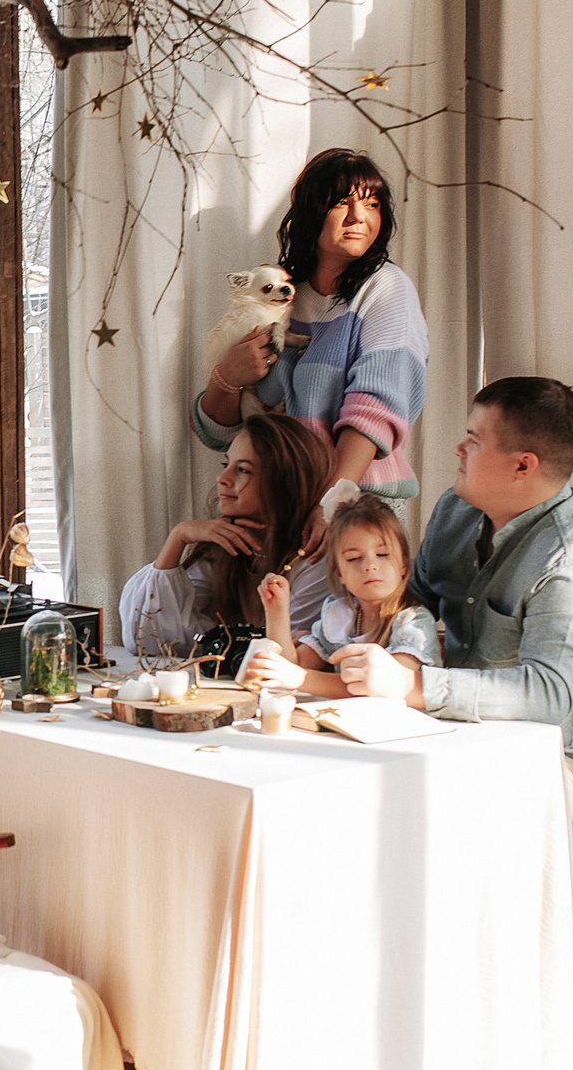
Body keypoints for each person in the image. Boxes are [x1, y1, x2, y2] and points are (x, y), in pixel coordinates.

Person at [323, 377, 573, 832]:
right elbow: (408, 605)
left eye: (473, 441)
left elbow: (548, 694)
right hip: (444, 734)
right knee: (327, 782)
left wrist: (411, 683)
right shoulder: (454, 511)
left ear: (523, 466)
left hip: (558, 758)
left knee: (449, 810)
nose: (457, 451)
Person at [194, 149, 429, 627]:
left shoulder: (386, 289)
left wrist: (330, 501)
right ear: (310, 209)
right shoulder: (281, 292)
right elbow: (225, 433)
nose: (360, 217)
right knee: (265, 646)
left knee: (341, 645)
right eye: (343, 202)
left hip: (355, 504)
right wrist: (227, 376)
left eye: (374, 204)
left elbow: (375, 409)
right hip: (278, 501)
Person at [116, 414, 328, 657]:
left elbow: (283, 656)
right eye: (225, 465)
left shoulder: (315, 559)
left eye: (243, 470)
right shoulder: (224, 546)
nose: (222, 479)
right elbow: (148, 640)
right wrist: (178, 537)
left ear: (284, 482)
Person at [246, 492, 442, 700]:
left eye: (382, 554)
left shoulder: (413, 623)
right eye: (354, 558)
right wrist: (276, 612)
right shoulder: (341, 616)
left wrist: (301, 678)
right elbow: (290, 668)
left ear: (403, 563)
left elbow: (382, 689)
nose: (369, 566)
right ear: (340, 573)